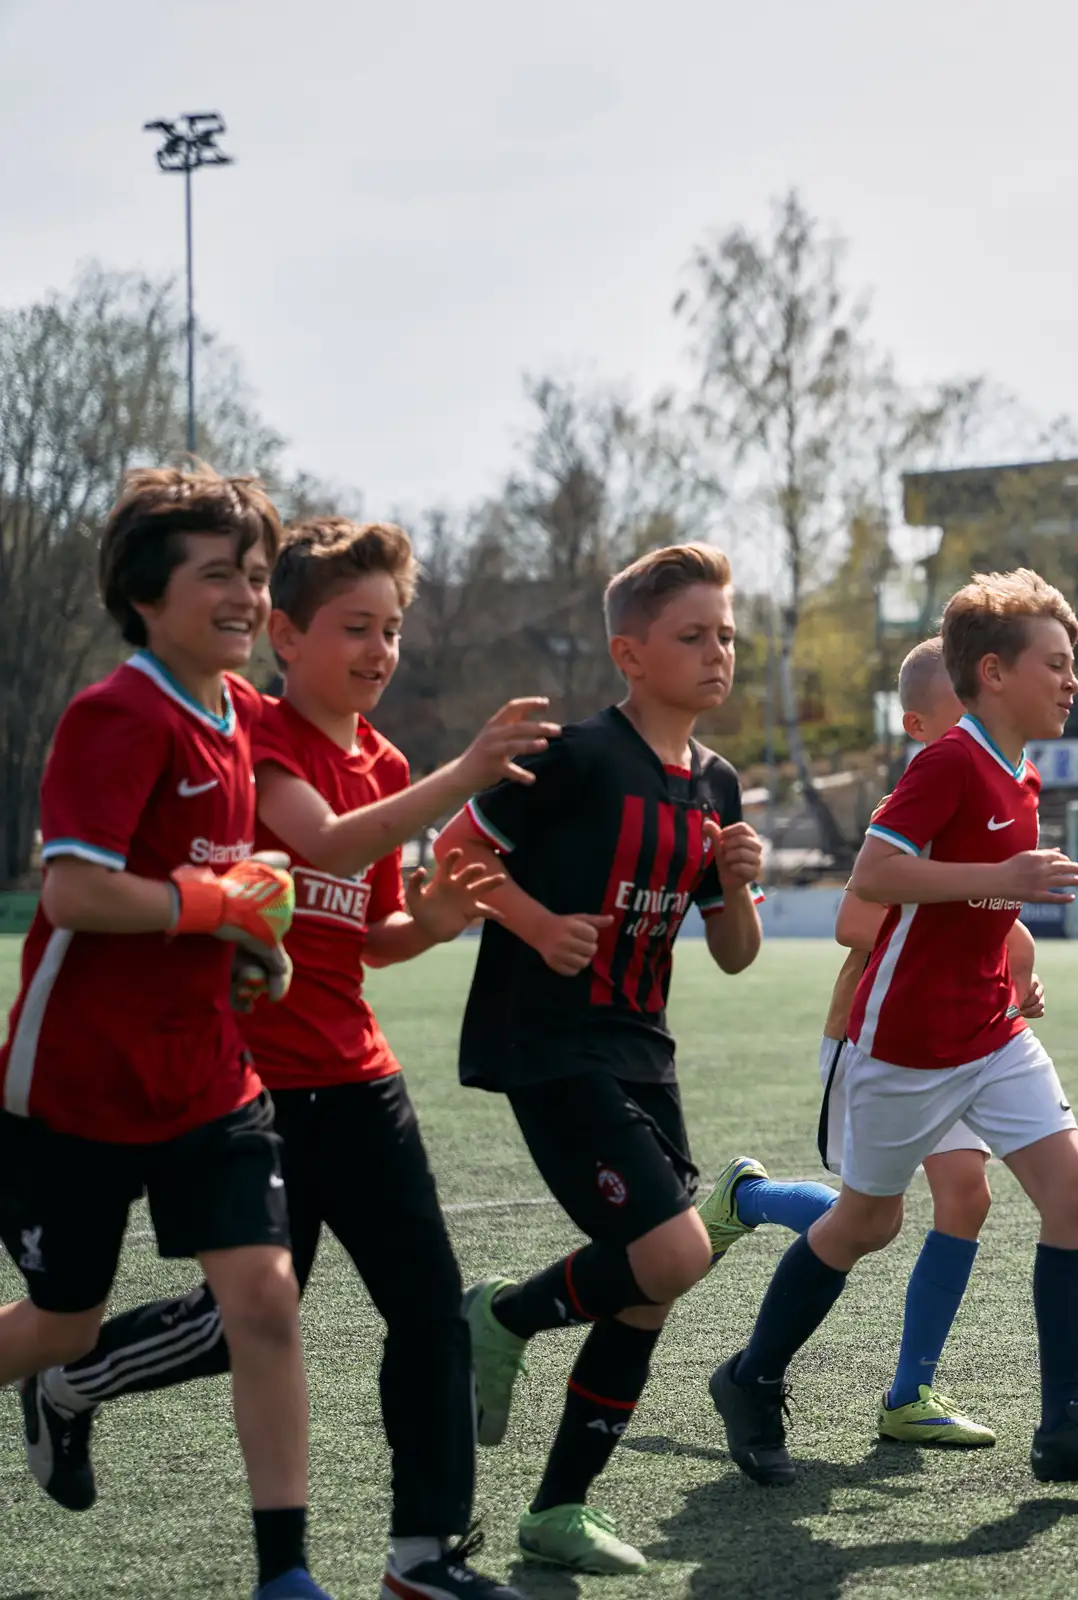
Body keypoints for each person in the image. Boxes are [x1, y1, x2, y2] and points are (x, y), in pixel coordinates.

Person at [21, 518, 550, 1598]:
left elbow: (367, 929)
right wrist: (465, 774)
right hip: (255, 1079)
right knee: (244, 1321)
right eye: (355, 627)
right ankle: (71, 1375)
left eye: (392, 629)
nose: (379, 650)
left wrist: (441, 916)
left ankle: (423, 1556)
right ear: (287, 635)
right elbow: (321, 843)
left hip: (359, 1074)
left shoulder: (387, 761)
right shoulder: (250, 733)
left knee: (429, 1304)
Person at [707, 569, 1078, 1486]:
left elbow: (976, 914)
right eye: (1058, 664)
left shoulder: (1021, 774)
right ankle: (751, 1375)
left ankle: (1066, 1427)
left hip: (989, 1038)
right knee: (866, 1224)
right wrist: (1009, 881)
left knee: (1077, 1201)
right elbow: (875, 876)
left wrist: (1009, 960)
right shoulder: (948, 762)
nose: (1073, 681)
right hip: (903, 1047)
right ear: (993, 673)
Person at [0, 465, 334, 1599]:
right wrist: (218, 907)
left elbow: (229, 881)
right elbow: (74, 894)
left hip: (207, 1082)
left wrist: (260, 946)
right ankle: (54, 1383)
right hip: (75, 1092)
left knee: (266, 1298)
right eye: (218, 576)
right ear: (146, 595)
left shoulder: (243, 717)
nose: (246, 595)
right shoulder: (118, 713)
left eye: (253, 573)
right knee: (59, 1323)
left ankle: (284, 1574)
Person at [439, 543, 767, 1576]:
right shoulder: (576, 755)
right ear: (630, 652)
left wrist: (741, 881)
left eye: (725, 633)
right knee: (674, 1252)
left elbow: (733, 952)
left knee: (649, 1286)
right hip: (546, 1039)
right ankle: (499, 1313)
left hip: (642, 1049)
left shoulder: (717, 783)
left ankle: (556, 1510)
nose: (716, 652)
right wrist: (536, 924)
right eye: (691, 635)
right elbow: (452, 851)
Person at [698, 636, 1044, 1450]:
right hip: (878, 1038)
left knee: (967, 1197)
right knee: (870, 1219)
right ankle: (748, 1199)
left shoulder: (997, 789)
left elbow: (992, 921)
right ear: (923, 723)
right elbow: (856, 920)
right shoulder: (923, 796)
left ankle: (910, 1393)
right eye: (966, 714)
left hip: (961, 1038)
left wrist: (1017, 975)